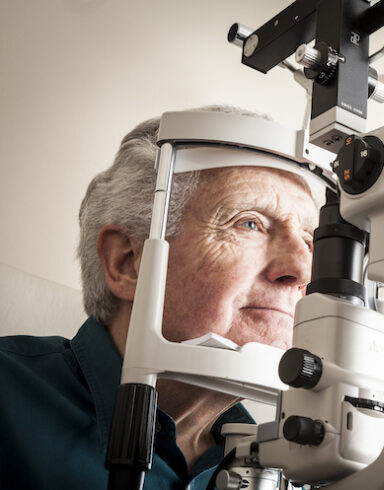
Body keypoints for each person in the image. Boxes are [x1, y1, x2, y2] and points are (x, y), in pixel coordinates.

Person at [0, 106, 322, 489]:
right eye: (249, 223)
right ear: (128, 262)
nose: (302, 268)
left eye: (309, 240)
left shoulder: (296, 469)